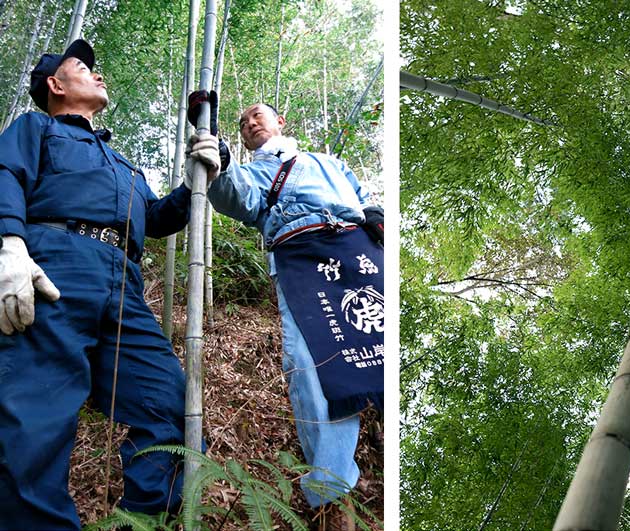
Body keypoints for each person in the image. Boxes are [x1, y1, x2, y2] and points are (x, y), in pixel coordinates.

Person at [0, 40, 220, 529]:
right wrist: (9, 244)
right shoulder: (37, 128)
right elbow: (5, 174)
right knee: (34, 419)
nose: (98, 75)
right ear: (56, 85)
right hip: (53, 266)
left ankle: (139, 522)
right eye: (83, 68)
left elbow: (157, 218)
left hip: (125, 282)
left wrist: (196, 179)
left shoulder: (124, 166)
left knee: (173, 409)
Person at [187, 96, 383, 518]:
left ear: (280, 120)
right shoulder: (253, 171)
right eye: (241, 124)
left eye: (256, 114)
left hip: (357, 248)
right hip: (300, 257)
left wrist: (377, 217)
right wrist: (216, 154)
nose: (249, 123)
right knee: (311, 365)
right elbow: (235, 196)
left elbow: (365, 198)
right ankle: (333, 491)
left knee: (386, 341)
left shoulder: (327, 162)